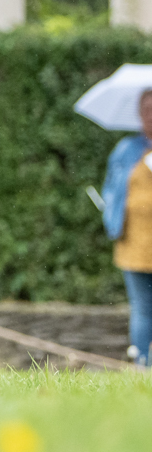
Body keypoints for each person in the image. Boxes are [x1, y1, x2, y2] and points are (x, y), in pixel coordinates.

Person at [101, 88, 152, 367]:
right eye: (146, 110)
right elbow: (111, 190)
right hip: (134, 243)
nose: (151, 116)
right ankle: (143, 366)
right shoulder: (127, 150)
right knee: (143, 308)